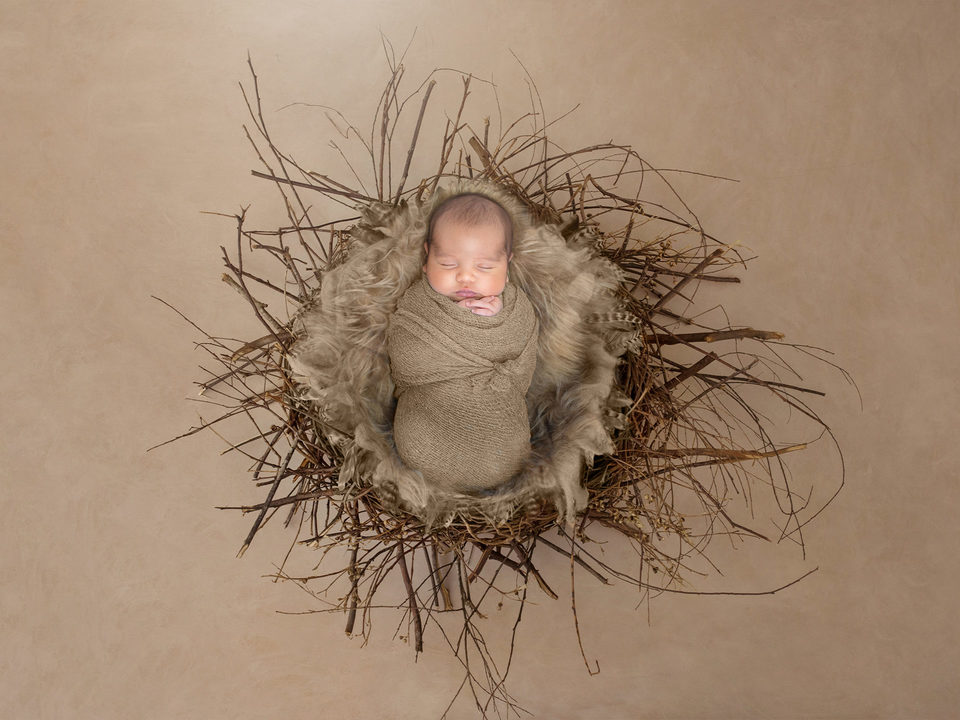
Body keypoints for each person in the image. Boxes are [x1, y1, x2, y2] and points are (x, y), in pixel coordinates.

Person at [386, 192, 540, 495]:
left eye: (484, 267)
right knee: (420, 439)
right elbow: (404, 355)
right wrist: (454, 323)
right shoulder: (418, 303)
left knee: (504, 452)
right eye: (447, 264)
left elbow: (522, 352)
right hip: (431, 411)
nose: (465, 277)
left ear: (507, 263)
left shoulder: (515, 307)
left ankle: (496, 469)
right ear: (427, 259)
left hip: (495, 415)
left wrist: (493, 323)